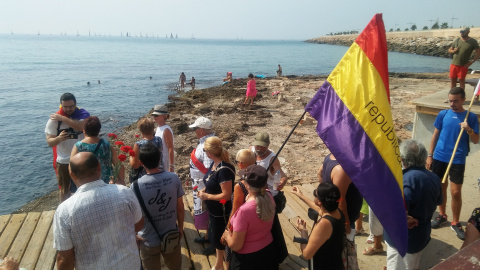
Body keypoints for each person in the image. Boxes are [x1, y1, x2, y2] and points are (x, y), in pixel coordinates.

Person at [53, 152, 143, 270]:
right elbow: (139, 224)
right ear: (99, 167)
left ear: (72, 175)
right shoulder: (124, 192)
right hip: (130, 265)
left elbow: (65, 258)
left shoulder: (64, 210)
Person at [428, 87, 479, 240]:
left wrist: (469, 129)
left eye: (456, 101)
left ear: (463, 100)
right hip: (439, 156)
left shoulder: (470, 116)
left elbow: (476, 140)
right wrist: (430, 155)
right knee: (440, 187)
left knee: (455, 192)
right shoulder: (443, 114)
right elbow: (435, 135)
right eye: (450, 100)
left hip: (457, 158)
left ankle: (455, 222)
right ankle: (442, 214)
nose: (452, 104)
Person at [385, 139, 442, 270]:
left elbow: (395, 212)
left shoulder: (405, 180)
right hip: (421, 235)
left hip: (401, 238)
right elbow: (439, 201)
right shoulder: (434, 178)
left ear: (403, 160)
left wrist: (406, 218)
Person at [133, 143, 185, 270]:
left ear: (141, 162)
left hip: (148, 240)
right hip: (171, 235)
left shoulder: (135, 186)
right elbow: (180, 207)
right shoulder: (173, 178)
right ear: (160, 159)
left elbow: (134, 215)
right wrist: (181, 228)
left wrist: (134, 234)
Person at [222, 165, 277, 270]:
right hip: (268, 253)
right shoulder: (269, 196)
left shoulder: (244, 211)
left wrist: (226, 236)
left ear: (247, 185)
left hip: (247, 260)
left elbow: (236, 245)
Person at [197, 136, 235, 270]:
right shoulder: (215, 165)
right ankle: (219, 264)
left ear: (209, 153)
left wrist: (206, 195)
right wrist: (204, 189)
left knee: (222, 240)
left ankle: (227, 266)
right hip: (214, 211)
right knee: (217, 239)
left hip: (221, 212)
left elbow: (226, 195)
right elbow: (211, 181)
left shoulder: (224, 170)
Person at [45, 93, 90, 201]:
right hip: (63, 160)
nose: (68, 109)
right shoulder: (54, 120)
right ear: (61, 105)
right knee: (64, 189)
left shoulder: (82, 114)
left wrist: (63, 118)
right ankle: (64, 210)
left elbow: (81, 127)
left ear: (75, 105)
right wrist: (58, 139)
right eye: (65, 107)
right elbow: (50, 142)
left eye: (71, 106)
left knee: (84, 187)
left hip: (81, 158)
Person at [295, 182, 345, 270]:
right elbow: (319, 209)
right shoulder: (337, 212)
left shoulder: (324, 224)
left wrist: (303, 231)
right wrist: (301, 195)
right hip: (336, 263)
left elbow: (307, 254)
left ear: (319, 201)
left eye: (315, 193)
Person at [224, 149, 257, 269]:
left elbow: (235, 211)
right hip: (254, 220)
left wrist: (227, 228)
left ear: (241, 164)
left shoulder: (240, 185)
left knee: (230, 250)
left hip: (240, 223)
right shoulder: (259, 178)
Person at [71, 116, 125, 185]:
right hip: (107, 183)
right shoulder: (107, 145)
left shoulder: (78, 146)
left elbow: (71, 169)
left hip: (87, 185)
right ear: (99, 130)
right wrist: (121, 182)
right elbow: (119, 165)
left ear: (84, 130)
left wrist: (78, 186)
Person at [189, 116, 216, 255]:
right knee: (206, 212)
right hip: (200, 184)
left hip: (204, 185)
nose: (194, 131)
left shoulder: (207, 144)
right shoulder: (207, 141)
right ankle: (207, 237)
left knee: (210, 212)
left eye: (195, 129)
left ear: (201, 130)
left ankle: (213, 242)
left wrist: (206, 189)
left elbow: (209, 169)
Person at [252, 132, 288, 213]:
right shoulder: (252, 150)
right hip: (254, 191)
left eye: (262, 146)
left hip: (267, 194)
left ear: (268, 145)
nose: (259, 149)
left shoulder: (272, 159)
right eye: (257, 146)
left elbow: (282, 175)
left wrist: (283, 181)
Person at [152, 105, 175, 172]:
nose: (154, 117)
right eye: (153, 115)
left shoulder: (166, 130)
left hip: (165, 163)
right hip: (160, 162)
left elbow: (170, 148)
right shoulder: (159, 128)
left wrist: (171, 166)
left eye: (156, 115)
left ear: (164, 116)